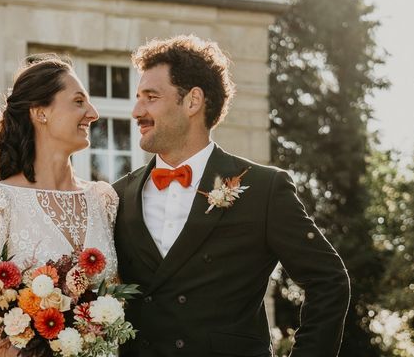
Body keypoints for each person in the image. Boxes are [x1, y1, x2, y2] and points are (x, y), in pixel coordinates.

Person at [113, 35, 350, 357]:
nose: (137, 111)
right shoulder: (117, 196)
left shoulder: (264, 189)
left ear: (193, 101)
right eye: (138, 97)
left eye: (151, 97)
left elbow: (329, 281)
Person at [0, 55, 119, 356]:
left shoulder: (103, 199)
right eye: (79, 101)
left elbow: (121, 295)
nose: (93, 113)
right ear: (40, 112)